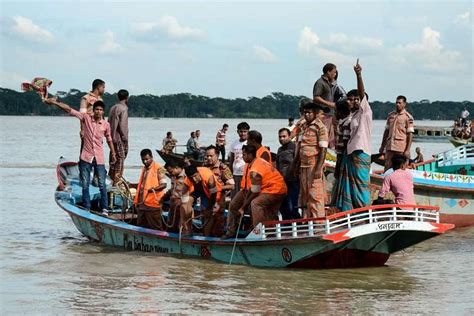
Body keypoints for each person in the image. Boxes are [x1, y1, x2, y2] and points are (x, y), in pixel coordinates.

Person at [44, 98, 116, 213]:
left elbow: (109, 139)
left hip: (99, 158)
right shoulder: (86, 118)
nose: (98, 111)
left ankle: (104, 208)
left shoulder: (106, 125)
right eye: (96, 109)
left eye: (100, 110)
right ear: (93, 110)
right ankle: (87, 208)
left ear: (103, 112)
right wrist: (55, 102)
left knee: (102, 185)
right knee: (85, 184)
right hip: (86, 157)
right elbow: (70, 110)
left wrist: (113, 152)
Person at [224, 145, 287, 238]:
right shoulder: (251, 163)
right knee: (233, 204)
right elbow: (252, 188)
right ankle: (230, 231)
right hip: (258, 189)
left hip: (275, 190)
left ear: (250, 155)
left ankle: (258, 233)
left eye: (244, 154)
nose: (242, 157)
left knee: (255, 203)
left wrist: (243, 207)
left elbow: (255, 192)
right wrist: (243, 203)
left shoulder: (255, 169)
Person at [334, 61, 372, 212]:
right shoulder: (352, 116)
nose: (354, 101)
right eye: (351, 99)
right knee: (349, 187)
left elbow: (362, 93)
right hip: (350, 154)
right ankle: (351, 212)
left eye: (356, 99)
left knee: (361, 186)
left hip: (361, 153)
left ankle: (364, 210)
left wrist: (358, 75)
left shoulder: (365, 112)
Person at [297, 101, 329, 218]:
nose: (306, 115)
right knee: (305, 194)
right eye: (305, 112)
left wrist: (318, 169)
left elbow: (323, 150)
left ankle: (318, 223)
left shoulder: (320, 128)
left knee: (315, 195)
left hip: (313, 164)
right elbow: (299, 147)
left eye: (309, 112)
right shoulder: (303, 126)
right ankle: (307, 221)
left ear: (315, 113)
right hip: (303, 166)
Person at [130, 149, 167, 230]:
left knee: (156, 226)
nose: (145, 161)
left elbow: (164, 184)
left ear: (152, 157)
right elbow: (143, 184)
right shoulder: (144, 169)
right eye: (143, 160)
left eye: (147, 159)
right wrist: (131, 185)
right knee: (140, 225)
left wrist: (154, 189)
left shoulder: (159, 168)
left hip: (153, 203)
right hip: (142, 203)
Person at [184, 165, 224, 237]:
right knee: (185, 203)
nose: (194, 179)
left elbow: (213, 194)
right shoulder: (188, 178)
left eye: (195, 176)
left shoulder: (209, 178)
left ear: (198, 172)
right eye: (191, 178)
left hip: (213, 194)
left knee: (209, 213)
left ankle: (206, 236)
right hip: (199, 190)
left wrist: (209, 209)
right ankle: (188, 230)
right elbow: (183, 191)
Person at [379, 95, 415, 171]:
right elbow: (386, 131)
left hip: (401, 148)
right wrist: (382, 146)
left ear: (404, 104)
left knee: (401, 169)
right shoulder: (391, 115)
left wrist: (407, 150)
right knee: (388, 168)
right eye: (396, 103)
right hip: (390, 147)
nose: (397, 104)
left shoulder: (408, 117)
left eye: (399, 103)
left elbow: (410, 135)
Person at [163, 160, 194, 234]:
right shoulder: (173, 176)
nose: (170, 173)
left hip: (182, 204)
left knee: (182, 225)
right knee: (171, 225)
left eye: (171, 171)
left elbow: (192, 191)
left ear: (176, 168)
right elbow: (172, 189)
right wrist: (163, 197)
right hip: (173, 204)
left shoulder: (187, 176)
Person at [276, 128, 300, 220]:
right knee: (283, 206)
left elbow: (298, 163)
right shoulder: (280, 149)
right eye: (280, 137)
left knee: (292, 206)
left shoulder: (294, 147)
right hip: (282, 181)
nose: (281, 139)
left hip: (293, 181)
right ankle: (286, 226)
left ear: (289, 136)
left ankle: (298, 225)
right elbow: (278, 166)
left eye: (284, 136)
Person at [313, 63, 338, 149]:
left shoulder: (329, 83)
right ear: (328, 72)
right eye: (334, 72)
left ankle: (330, 160)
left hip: (330, 115)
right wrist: (330, 104)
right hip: (323, 115)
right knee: (323, 138)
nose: (335, 74)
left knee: (331, 141)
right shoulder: (320, 82)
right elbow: (316, 97)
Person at [108, 89, 129, 185]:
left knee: (113, 160)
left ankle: (110, 181)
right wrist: (125, 139)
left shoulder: (112, 108)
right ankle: (117, 183)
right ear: (127, 98)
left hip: (111, 139)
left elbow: (108, 123)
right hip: (119, 139)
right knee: (120, 161)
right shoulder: (123, 108)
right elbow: (123, 126)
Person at [229, 122, 250, 197]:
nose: (243, 133)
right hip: (235, 174)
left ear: (248, 132)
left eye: (245, 131)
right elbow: (231, 160)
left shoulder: (249, 143)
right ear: (237, 132)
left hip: (246, 174)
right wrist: (230, 174)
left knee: (245, 194)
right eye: (241, 131)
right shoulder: (234, 143)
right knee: (235, 194)